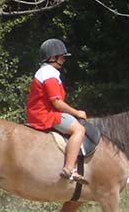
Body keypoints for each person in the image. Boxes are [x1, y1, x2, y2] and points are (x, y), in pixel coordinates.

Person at [26, 38, 89, 185]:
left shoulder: (45, 72)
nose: (64, 60)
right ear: (52, 58)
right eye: (62, 57)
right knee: (79, 130)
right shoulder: (49, 73)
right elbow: (57, 102)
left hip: (41, 111)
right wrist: (77, 112)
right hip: (45, 114)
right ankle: (69, 168)